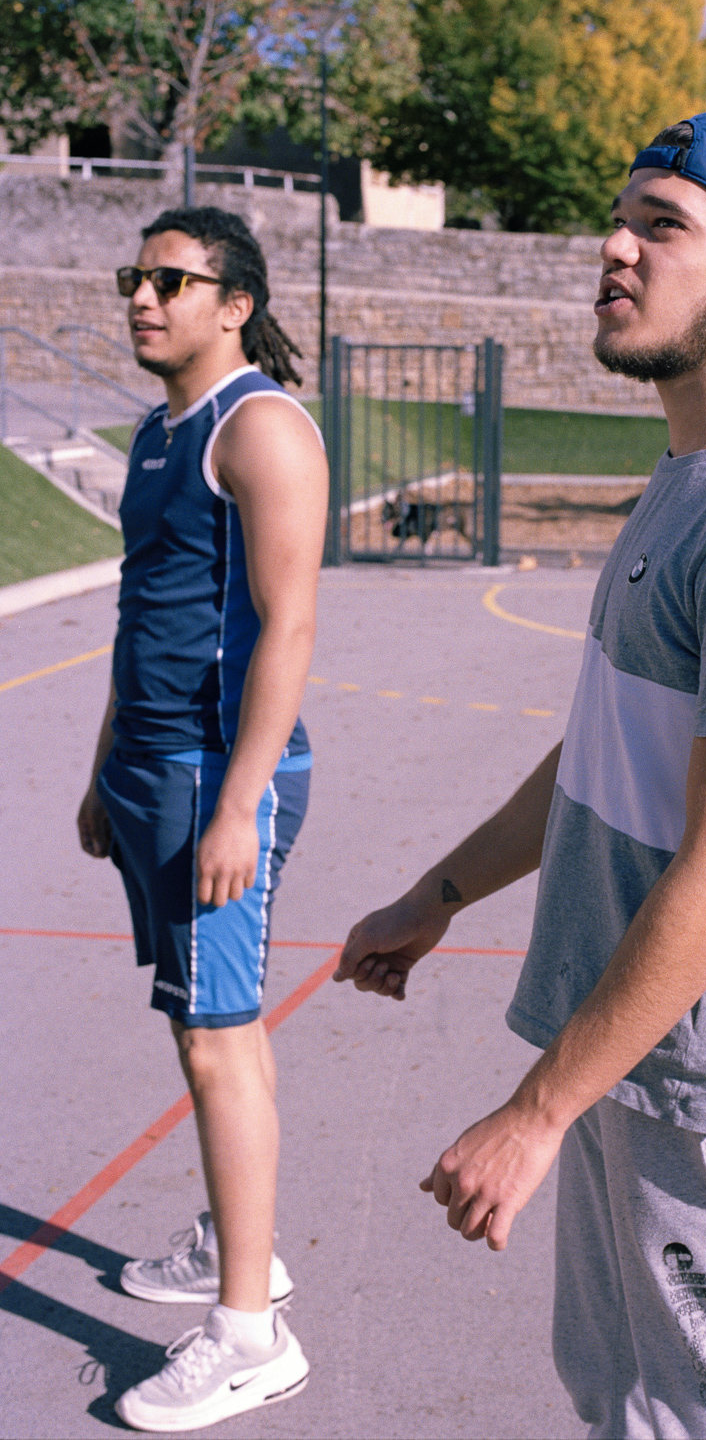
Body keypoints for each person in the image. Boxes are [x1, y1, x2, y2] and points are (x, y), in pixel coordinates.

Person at [335, 110, 706, 1440]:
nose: (615, 247)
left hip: (693, 1083)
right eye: (621, 217)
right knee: (624, 1404)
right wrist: (438, 893)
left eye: (663, 225)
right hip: (615, 1046)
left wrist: (535, 1114)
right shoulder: (692, 475)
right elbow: (603, 750)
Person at [77, 207, 328, 1432]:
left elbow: (289, 624)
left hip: (212, 778)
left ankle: (249, 1338)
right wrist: (100, 766)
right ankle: (242, 1246)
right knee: (211, 1027)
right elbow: (145, 611)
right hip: (146, 769)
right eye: (137, 276)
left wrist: (238, 805)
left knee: (216, 1040)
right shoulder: (155, 431)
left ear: (234, 305)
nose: (143, 296)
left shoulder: (259, 427)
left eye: (171, 280)